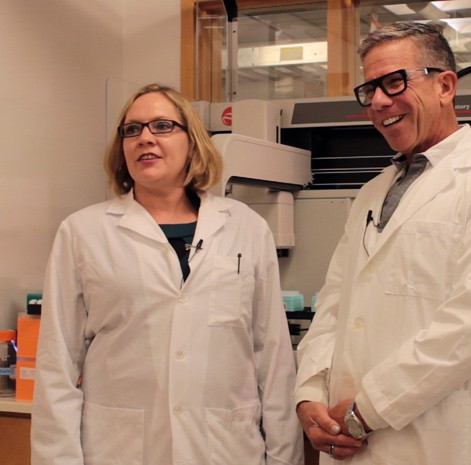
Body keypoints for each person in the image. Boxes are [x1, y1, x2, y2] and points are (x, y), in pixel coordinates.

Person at [294, 21, 471, 465]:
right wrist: (310, 394)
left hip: (435, 443)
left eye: (394, 82)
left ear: (445, 85)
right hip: (346, 442)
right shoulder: (372, 192)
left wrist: (366, 412)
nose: (380, 101)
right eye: (371, 89)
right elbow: (334, 304)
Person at [31, 83, 304, 465]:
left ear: (192, 141)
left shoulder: (246, 227)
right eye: (132, 129)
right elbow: (56, 366)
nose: (145, 138)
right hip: (121, 450)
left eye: (162, 126)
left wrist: (283, 457)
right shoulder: (83, 232)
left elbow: (273, 358)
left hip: (226, 449)